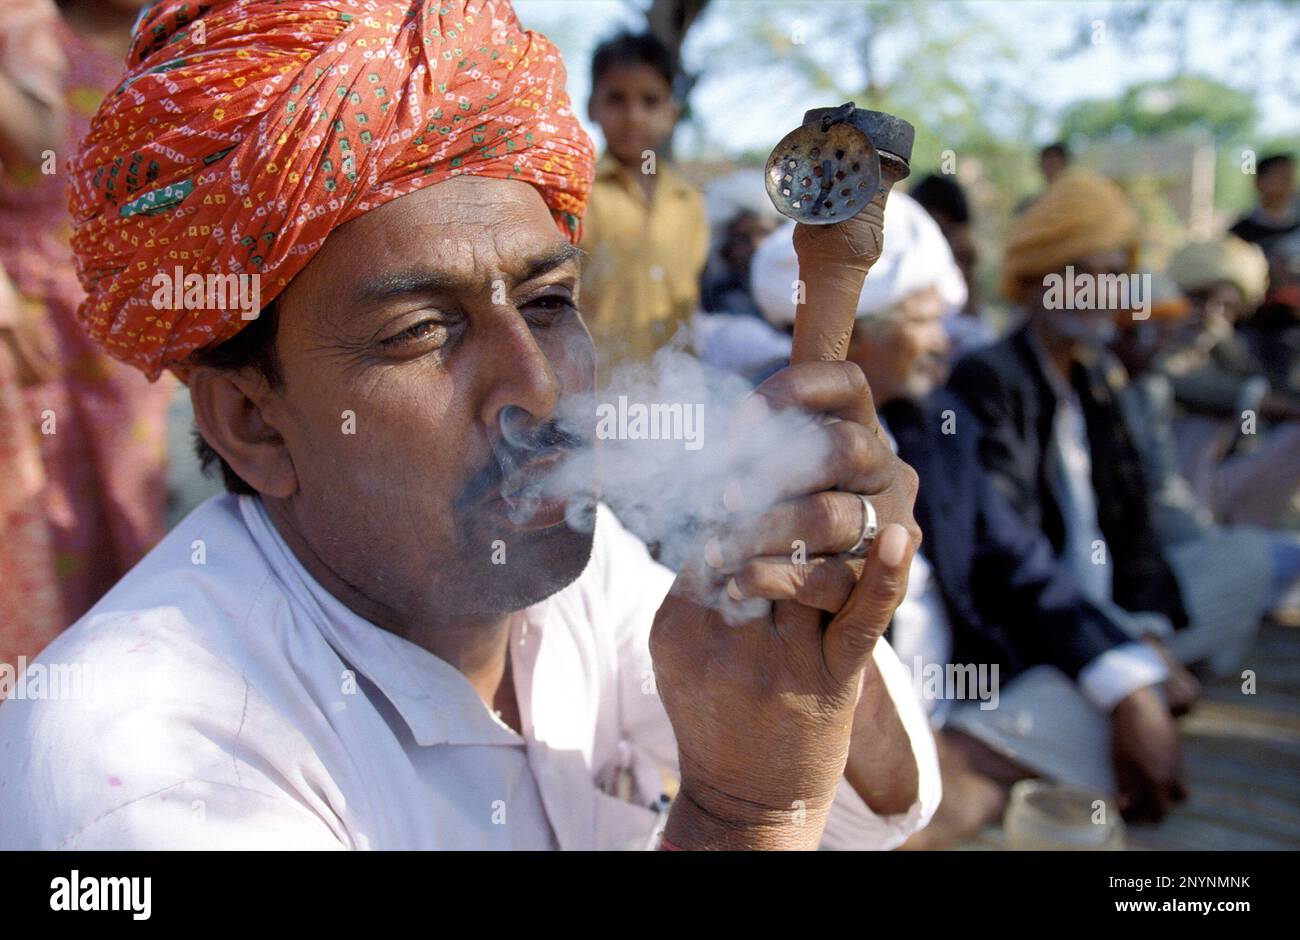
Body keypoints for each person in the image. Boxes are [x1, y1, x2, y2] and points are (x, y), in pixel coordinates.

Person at [0, 0, 939, 851]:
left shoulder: (571, 568)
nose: (535, 389)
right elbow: (781, 811)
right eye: (421, 331)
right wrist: (740, 818)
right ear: (253, 422)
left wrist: (826, 619)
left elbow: (872, 812)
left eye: (546, 303)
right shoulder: (148, 764)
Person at [755, 191, 1187, 845]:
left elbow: (1019, 566)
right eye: (924, 321)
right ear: (858, 333)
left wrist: (1130, 687)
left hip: (964, 715)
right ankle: (956, 796)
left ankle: (967, 788)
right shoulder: (774, 455)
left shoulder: (933, 427)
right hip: (838, 755)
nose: (943, 341)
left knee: (1137, 712)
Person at [948, 169, 1196, 666]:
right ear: (1035, 279)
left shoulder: (1098, 375)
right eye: (1084, 274)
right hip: (1041, 634)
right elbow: (1009, 551)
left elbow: (1134, 521)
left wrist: (1147, 628)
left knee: (1245, 560)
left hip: (1112, 613)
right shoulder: (989, 377)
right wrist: (1112, 652)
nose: (1102, 292)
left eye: (1114, 276)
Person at [0, 0, 174, 636]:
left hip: (115, 352)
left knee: (121, 510)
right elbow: (37, 140)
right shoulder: (22, 26)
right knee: (33, 528)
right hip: (25, 340)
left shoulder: (157, 55)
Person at [578, 31, 709, 367]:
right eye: (616, 99)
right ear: (592, 107)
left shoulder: (688, 201)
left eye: (650, 101)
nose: (634, 116)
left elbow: (688, 298)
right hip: (595, 388)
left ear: (672, 112)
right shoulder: (576, 193)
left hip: (677, 382)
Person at [1163, 237, 1300, 528]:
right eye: (1201, 299)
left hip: (1218, 485)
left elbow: (1259, 379)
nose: (1211, 313)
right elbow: (1174, 384)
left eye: (1226, 307)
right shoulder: (1154, 338)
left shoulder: (1225, 345)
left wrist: (1222, 341)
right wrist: (1253, 399)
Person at [908, 172, 993, 357]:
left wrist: (969, 272)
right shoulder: (899, 280)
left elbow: (977, 342)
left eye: (949, 232)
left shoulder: (958, 281)